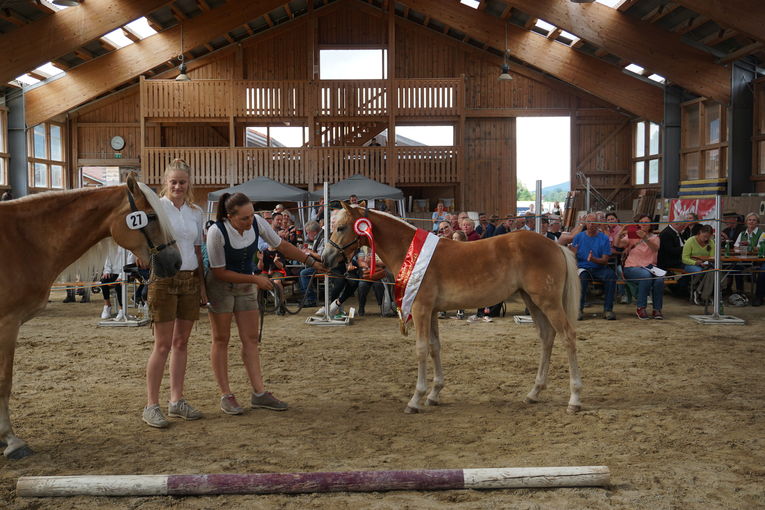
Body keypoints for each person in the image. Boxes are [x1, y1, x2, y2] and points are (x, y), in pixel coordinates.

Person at [206, 192, 326, 415]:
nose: (250, 221)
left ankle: (259, 393)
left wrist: (310, 261)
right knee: (221, 338)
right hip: (221, 286)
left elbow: (282, 245)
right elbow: (219, 272)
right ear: (230, 216)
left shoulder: (257, 222)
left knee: (251, 339)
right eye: (244, 218)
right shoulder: (216, 232)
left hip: (247, 286)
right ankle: (226, 395)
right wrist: (255, 279)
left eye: (251, 215)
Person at [143, 159, 207, 429]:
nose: (178, 186)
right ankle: (151, 405)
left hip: (190, 279)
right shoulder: (155, 209)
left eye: (182, 182)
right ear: (166, 183)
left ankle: (176, 400)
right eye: (174, 182)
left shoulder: (196, 212)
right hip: (164, 279)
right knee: (162, 344)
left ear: (189, 183)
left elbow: (196, 250)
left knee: (181, 343)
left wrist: (202, 284)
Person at [615, 215, 664, 320]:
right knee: (645, 276)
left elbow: (655, 248)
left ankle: (657, 309)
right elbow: (617, 244)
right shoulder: (631, 236)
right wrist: (622, 230)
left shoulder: (655, 238)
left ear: (650, 225)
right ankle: (641, 307)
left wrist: (645, 238)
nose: (643, 224)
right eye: (641, 222)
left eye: (646, 222)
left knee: (659, 280)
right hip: (632, 267)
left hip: (650, 267)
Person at [571, 212, 616, 320]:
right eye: (589, 222)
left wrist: (593, 259)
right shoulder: (578, 237)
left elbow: (605, 260)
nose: (591, 224)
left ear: (598, 224)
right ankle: (579, 309)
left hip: (599, 267)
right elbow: (573, 255)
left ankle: (608, 309)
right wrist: (573, 253)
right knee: (582, 278)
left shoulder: (604, 238)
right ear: (585, 223)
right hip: (583, 267)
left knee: (611, 276)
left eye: (594, 222)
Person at [682, 224, 715, 304]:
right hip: (691, 264)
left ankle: (698, 291)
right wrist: (696, 262)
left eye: (708, 237)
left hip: (705, 264)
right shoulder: (690, 241)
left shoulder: (711, 242)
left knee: (711, 272)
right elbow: (684, 258)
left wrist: (706, 261)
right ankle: (700, 292)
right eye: (704, 236)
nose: (705, 239)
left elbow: (712, 257)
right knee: (702, 271)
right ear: (700, 233)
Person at [298, 220, 324, 307]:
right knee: (300, 270)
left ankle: (311, 299)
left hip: (323, 266)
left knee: (303, 273)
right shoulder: (318, 237)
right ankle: (305, 296)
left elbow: (321, 257)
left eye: (308, 233)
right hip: (318, 264)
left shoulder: (323, 238)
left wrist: (310, 252)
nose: (307, 235)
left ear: (314, 232)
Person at [99, 243, 128, 321]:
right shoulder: (110, 246)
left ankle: (121, 309)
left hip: (126, 273)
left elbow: (129, 263)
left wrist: (121, 276)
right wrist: (106, 272)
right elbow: (107, 263)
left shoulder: (127, 246)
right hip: (114, 273)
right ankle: (107, 306)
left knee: (119, 284)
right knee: (103, 281)